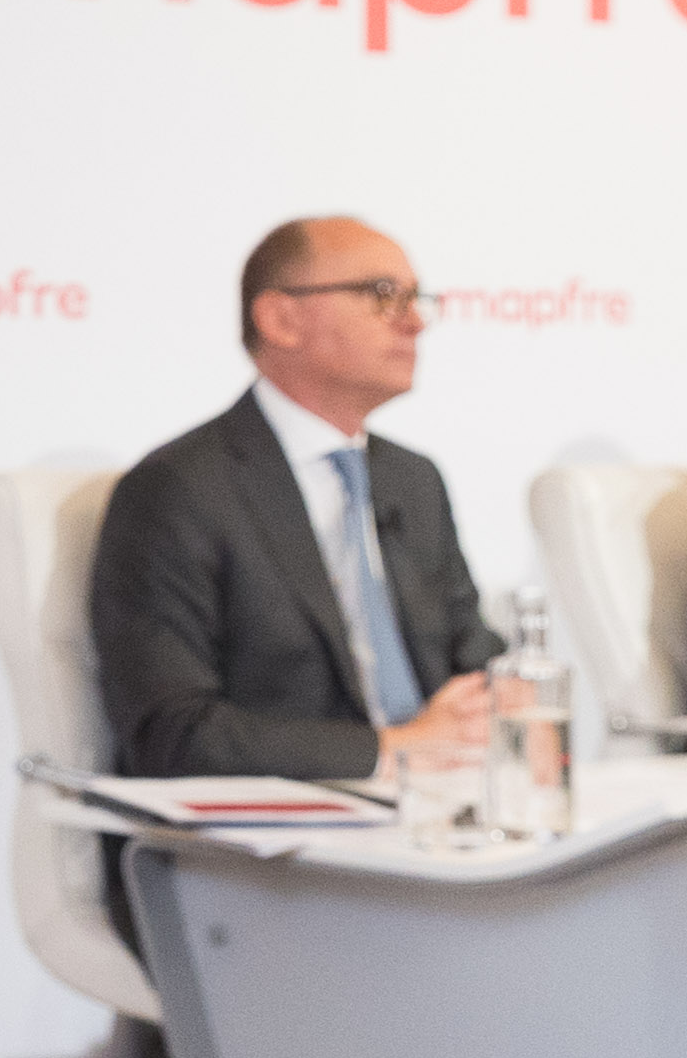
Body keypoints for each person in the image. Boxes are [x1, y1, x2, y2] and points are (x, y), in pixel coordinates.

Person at [90, 215, 502, 784]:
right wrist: (392, 750)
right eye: (383, 295)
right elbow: (173, 734)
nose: (414, 322)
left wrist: (507, 701)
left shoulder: (413, 480)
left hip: (439, 801)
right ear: (281, 319)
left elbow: (473, 657)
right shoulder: (178, 489)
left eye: (416, 299)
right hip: (281, 821)